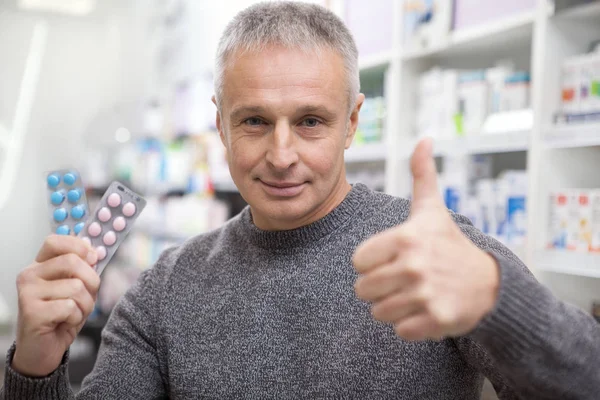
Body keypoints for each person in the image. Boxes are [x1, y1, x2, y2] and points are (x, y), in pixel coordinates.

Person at [1, 2, 599, 399]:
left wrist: (500, 301)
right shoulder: (166, 290)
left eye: (310, 120)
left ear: (352, 122)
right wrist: (36, 366)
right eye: (255, 120)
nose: (281, 154)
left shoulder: (434, 252)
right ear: (221, 125)